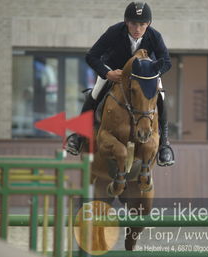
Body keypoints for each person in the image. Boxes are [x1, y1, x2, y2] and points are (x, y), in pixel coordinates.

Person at [65, 1, 174, 167]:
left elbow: (167, 62)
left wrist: (152, 74)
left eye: (142, 25)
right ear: (126, 22)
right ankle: (78, 136)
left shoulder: (154, 36)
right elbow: (91, 56)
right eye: (133, 24)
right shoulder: (114, 32)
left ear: (148, 24)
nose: (137, 29)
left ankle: (164, 144)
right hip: (114, 72)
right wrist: (107, 73)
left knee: (162, 96)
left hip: (145, 75)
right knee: (96, 91)